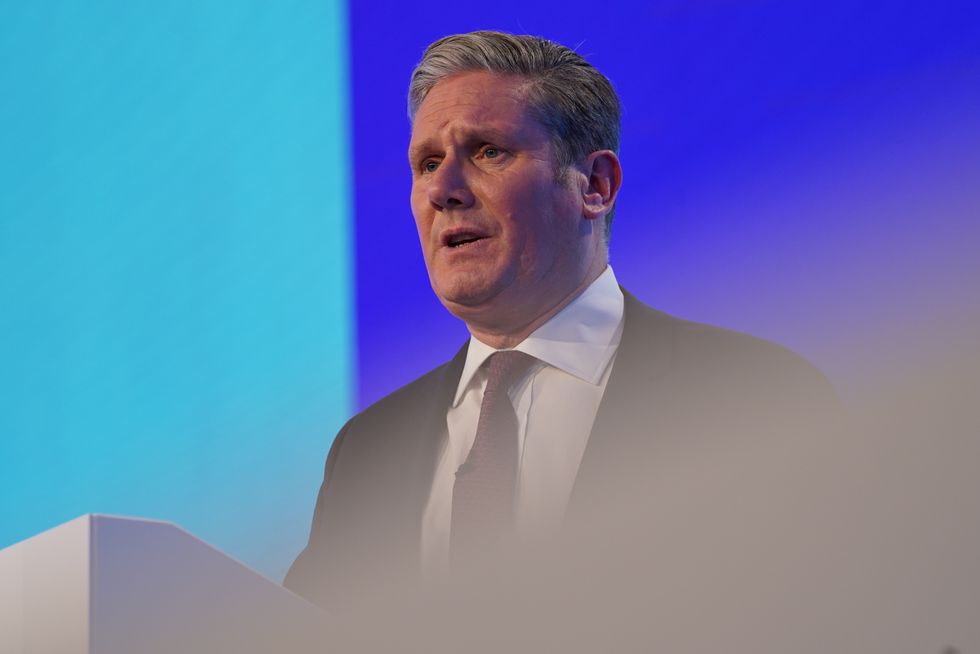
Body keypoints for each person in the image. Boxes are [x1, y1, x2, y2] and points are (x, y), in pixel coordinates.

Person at [283, 30, 838, 615]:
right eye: (427, 163)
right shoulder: (368, 452)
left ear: (595, 186)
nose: (443, 191)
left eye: (488, 151)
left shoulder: (755, 397)